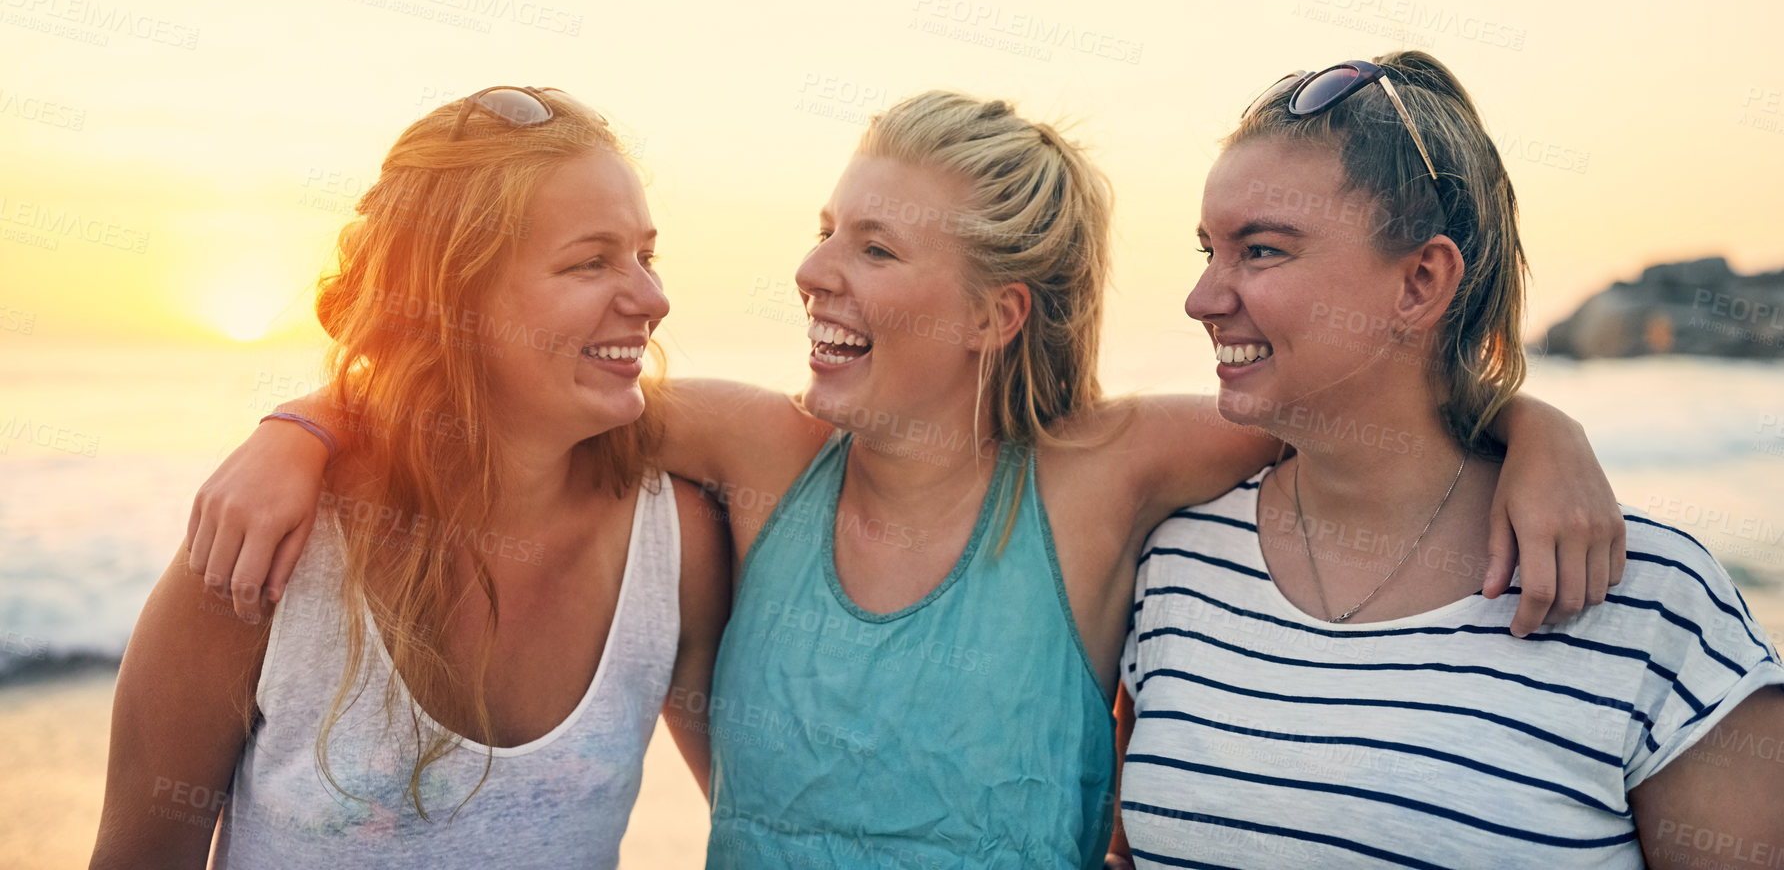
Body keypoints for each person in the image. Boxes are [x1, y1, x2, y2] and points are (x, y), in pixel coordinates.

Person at [185, 90, 1627, 868]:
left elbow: (1367, 403)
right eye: (827, 228)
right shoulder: (762, 455)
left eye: (875, 247)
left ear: (997, 311)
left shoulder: (1103, 477)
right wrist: (302, 426)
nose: (814, 269)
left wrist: (1533, 425)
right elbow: (496, 379)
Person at [1109, 53, 1784, 868]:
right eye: (1207, 250)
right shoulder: (1178, 561)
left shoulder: (1650, 603)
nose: (1203, 298)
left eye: (1259, 251)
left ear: (1421, 281)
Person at [90, 87, 730, 868]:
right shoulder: (262, 555)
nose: (652, 299)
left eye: (645, 255)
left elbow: (769, 823)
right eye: (591, 262)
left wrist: (304, 418)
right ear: (451, 298)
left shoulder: (676, 546)